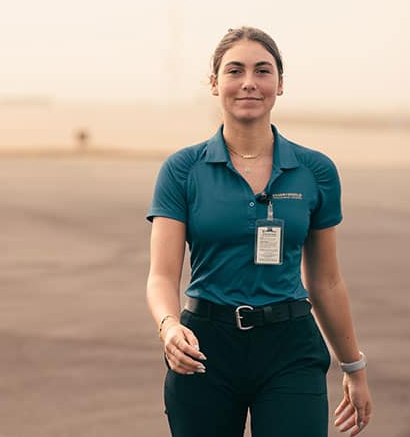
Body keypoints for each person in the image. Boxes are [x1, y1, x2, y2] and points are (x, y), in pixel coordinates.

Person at [145, 26, 372, 436]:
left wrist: (353, 367)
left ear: (280, 84)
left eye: (262, 71)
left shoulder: (315, 171)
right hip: (204, 348)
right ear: (215, 84)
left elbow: (326, 280)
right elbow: (161, 275)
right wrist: (169, 327)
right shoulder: (182, 170)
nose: (249, 83)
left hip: (290, 347)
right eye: (235, 71)